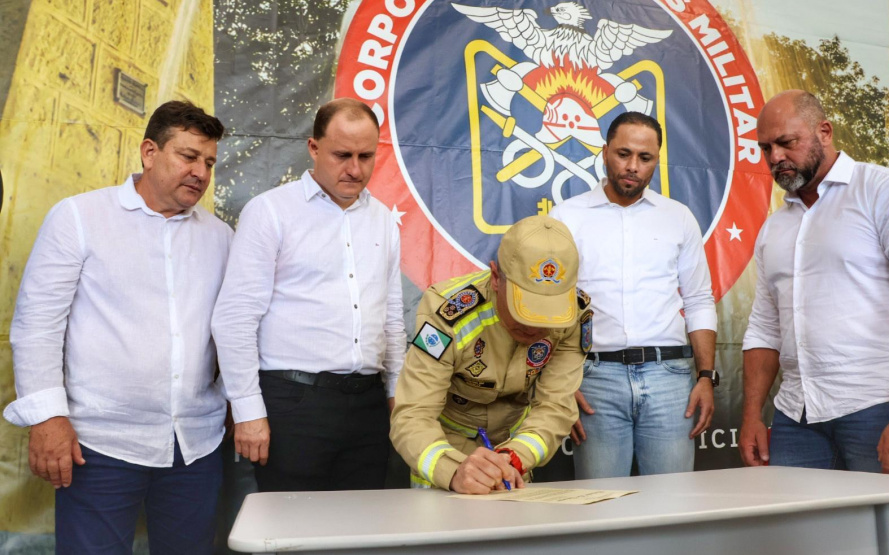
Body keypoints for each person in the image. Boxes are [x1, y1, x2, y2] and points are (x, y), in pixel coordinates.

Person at [3, 101, 231, 553]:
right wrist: (48, 417)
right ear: (149, 152)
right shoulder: (79, 218)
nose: (201, 173)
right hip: (99, 444)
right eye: (188, 156)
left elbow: (234, 330)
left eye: (208, 162)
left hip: (196, 445)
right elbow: (37, 324)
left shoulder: (221, 237)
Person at [739, 89, 889, 553]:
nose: (776, 157)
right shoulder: (775, 227)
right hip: (796, 418)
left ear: (824, 132)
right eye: (765, 148)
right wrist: (753, 414)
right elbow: (763, 328)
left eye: (786, 142)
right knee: (798, 544)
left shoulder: (888, 192)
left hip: (882, 410)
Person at [212, 98, 405, 492]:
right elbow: (235, 318)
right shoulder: (270, 212)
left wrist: (397, 395)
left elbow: (392, 317)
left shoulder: (384, 219)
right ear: (314, 148)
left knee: (361, 530)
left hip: (368, 404)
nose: (355, 168)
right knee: (291, 533)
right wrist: (248, 410)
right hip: (292, 404)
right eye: (342, 155)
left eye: (366, 156)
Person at [550, 112, 718, 479]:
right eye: (623, 154)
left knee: (674, 508)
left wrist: (706, 376)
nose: (632, 167)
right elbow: (550, 306)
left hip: (670, 378)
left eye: (645, 158)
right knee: (601, 509)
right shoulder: (567, 217)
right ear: (605, 151)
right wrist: (560, 383)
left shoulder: (678, 217)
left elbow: (699, 300)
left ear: (656, 160)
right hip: (595, 380)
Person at [390, 215, 590, 494]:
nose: (537, 325)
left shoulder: (574, 316)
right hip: (445, 448)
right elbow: (413, 415)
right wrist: (454, 471)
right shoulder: (447, 313)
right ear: (496, 278)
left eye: (550, 312)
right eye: (527, 307)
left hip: (512, 456)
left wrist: (514, 457)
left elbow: (556, 407)